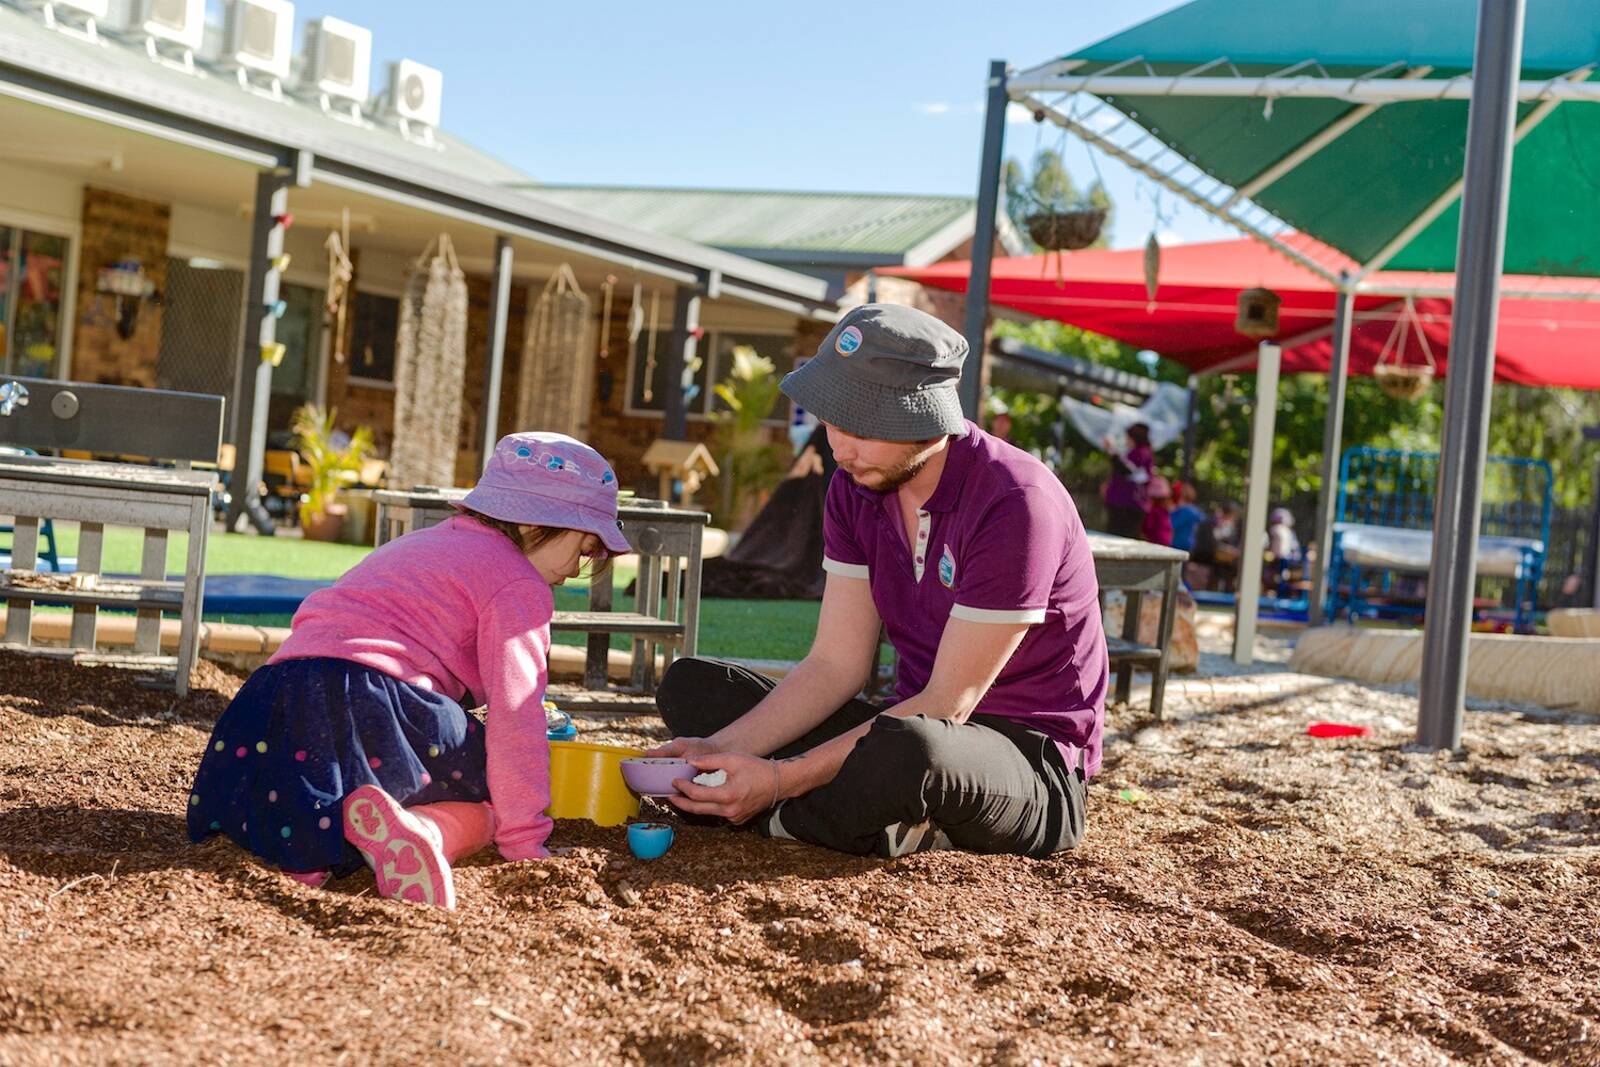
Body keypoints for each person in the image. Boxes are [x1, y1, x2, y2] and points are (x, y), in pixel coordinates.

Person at [648, 303, 1106, 859]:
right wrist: (713, 753)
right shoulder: (852, 488)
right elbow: (835, 666)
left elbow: (946, 704)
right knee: (694, 687)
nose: (841, 447)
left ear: (927, 417)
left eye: (863, 426)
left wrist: (778, 779)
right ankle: (860, 817)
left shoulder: (1015, 502)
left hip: (1023, 761)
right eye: (831, 420)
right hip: (903, 724)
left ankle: (793, 813)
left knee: (914, 749)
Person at [186, 432, 630, 908]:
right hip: (377, 699)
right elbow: (516, 716)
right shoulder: (518, 584)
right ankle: (424, 830)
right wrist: (524, 837)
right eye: (583, 550)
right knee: (497, 786)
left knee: (317, 783)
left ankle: (307, 856)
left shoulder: (420, 544)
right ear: (541, 522)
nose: (576, 569)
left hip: (272, 702)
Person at [1103, 423, 1153, 538]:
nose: (1126, 440)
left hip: (1128, 505)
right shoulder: (1137, 452)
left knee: (1119, 537)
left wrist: (1112, 451)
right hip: (1125, 504)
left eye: (1128, 437)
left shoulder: (1141, 453)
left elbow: (1127, 471)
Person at [1191, 500, 1242, 591]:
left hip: (1219, 564)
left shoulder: (1228, 526)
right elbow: (1209, 543)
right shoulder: (1211, 523)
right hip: (1205, 561)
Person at [1168, 481, 1206, 554]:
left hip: (1178, 544)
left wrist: (1172, 511)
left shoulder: (1183, 511)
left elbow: (1171, 524)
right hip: (1188, 544)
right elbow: (1202, 519)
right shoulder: (1194, 510)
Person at [1140, 475, 1173, 546]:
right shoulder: (1164, 511)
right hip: (1163, 541)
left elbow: (1148, 527)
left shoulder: (1154, 511)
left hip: (1157, 542)